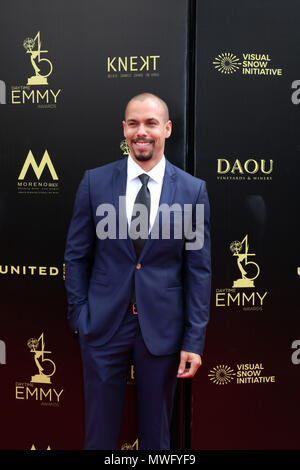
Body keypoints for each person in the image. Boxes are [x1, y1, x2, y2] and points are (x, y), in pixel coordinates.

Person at [64, 92, 211, 450]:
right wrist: (80, 316)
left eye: (150, 123)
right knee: (98, 434)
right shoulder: (94, 183)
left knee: (157, 435)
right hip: (102, 326)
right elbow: (76, 256)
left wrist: (193, 339)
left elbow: (198, 271)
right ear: (125, 129)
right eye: (133, 123)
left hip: (161, 330)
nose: (141, 131)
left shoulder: (192, 191)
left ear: (167, 129)